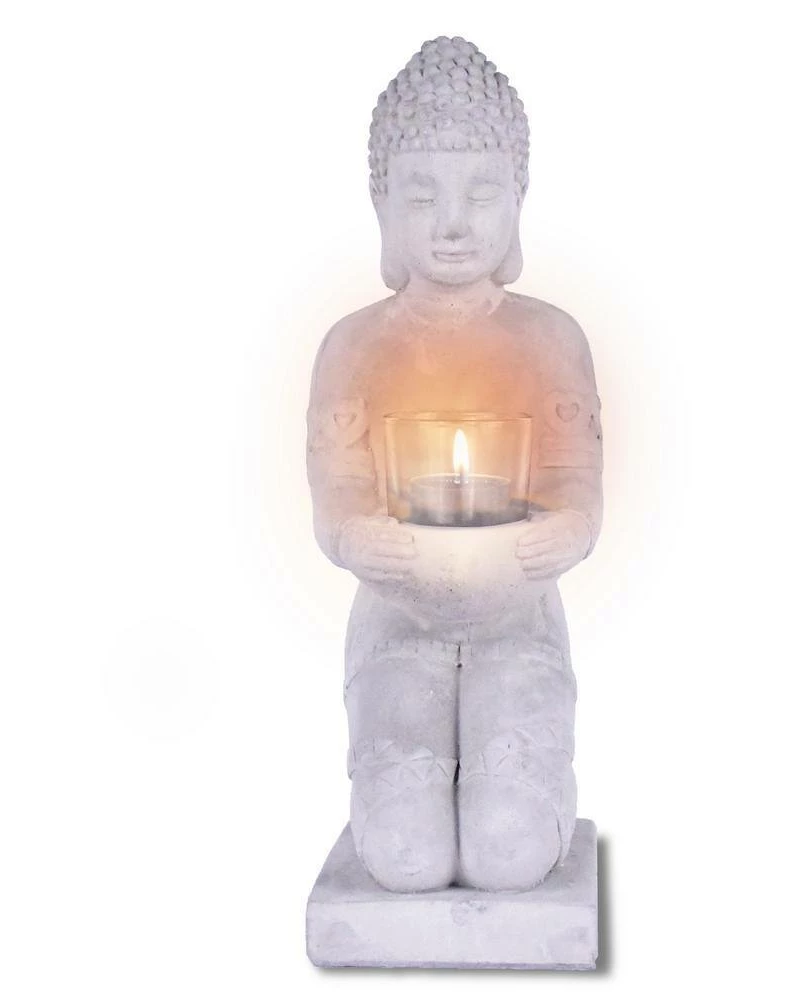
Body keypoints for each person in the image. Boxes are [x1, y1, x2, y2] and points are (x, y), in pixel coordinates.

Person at [306, 37, 602, 892]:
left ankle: (525, 786)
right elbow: (337, 491)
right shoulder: (353, 346)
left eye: (481, 192)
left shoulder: (550, 338)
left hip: (518, 617)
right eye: (421, 195)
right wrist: (353, 536)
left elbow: (577, 481)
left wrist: (571, 526)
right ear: (381, 204)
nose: (453, 224)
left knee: (509, 851)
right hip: (399, 616)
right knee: (406, 857)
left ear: (519, 196)